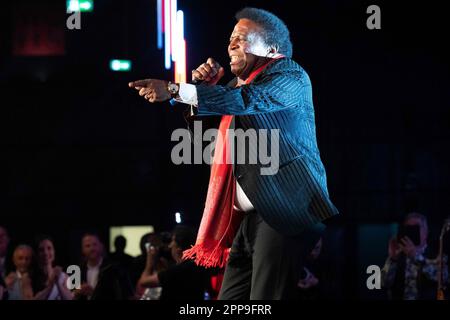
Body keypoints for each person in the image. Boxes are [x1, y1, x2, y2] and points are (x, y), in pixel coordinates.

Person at [129, 7, 338, 299]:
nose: (231, 45)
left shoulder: (290, 75)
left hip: (284, 211)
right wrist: (201, 88)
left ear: (271, 47)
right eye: (230, 39)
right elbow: (205, 139)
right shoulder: (233, 89)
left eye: (241, 37)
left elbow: (249, 100)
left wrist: (177, 89)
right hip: (248, 220)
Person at [381, 212, 448, 300]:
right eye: (409, 228)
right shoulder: (399, 255)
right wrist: (392, 259)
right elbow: (383, 283)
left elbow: (443, 278)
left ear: (426, 231)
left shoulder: (437, 253)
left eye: (416, 227)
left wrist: (416, 256)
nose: (413, 231)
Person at [138, 226, 208, 300]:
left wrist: (149, 262)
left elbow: (143, 281)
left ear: (179, 247)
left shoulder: (177, 271)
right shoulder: (198, 266)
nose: (170, 245)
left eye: (172, 241)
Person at [74, 233, 133, 300]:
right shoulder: (77, 270)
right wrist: (77, 292)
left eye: (95, 244)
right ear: (82, 250)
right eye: (88, 246)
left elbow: (126, 294)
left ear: (101, 246)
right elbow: (71, 295)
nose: (92, 248)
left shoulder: (114, 269)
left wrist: (94, 293)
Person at [33, 235, 73, 300]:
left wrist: (57, 282)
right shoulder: (30, 277)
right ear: (37, 254)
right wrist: (51, 286)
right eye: (41, 250)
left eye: (49, 248)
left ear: (54, 251)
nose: (45, 253)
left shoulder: (63, 276)